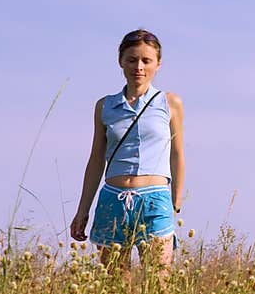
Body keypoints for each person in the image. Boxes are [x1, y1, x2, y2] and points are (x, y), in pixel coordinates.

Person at [69, 28, 185, 277]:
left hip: (154, 198)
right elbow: (96, 160)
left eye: (146, 60)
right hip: (113, 198)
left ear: (158, 64)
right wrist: (82, 210)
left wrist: (175, 199)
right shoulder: (105, 106)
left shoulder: (169, 102)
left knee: (158, 283)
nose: (139, 67)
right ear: (121, 61)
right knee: (115, 284)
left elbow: (177, 154)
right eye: (132, 60)